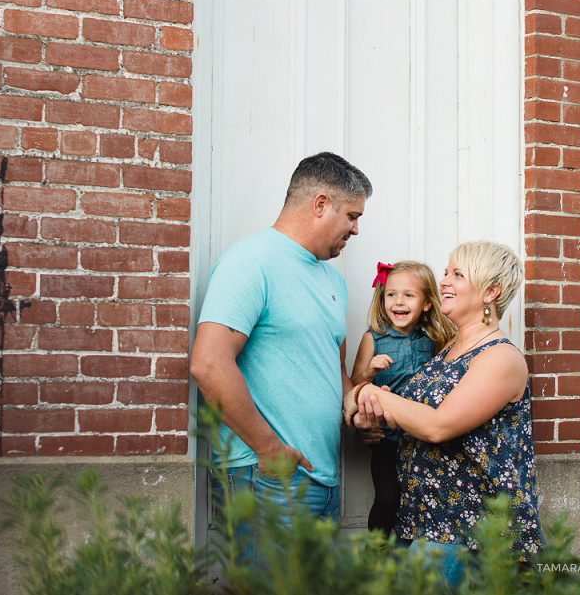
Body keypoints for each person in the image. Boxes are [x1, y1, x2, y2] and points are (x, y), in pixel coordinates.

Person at [190, 152, 372, 531]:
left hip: (323, 480)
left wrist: (358, 407)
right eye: (352, 216)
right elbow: (208, 363)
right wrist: (270, 450)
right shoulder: (250, 262)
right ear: (321, 204)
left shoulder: (333, 280)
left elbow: (331, 371)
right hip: (267, 479)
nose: (355, 230)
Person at [345, 241, 544, 586]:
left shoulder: (501, 357)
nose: (445, 281)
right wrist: (373, 417)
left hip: (466, 531)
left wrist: (364, 391)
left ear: (491, 292)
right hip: (421, 518)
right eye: (446, 272)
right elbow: (415, 413)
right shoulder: (449, 346)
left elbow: (438, 425)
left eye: (458, 274)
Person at [347, 260, 454, 537]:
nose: (398, 302)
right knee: (387, 497)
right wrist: (370, 370)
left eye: (409, 295)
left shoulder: (435, 338)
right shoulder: (374, 338)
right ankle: (375, 551)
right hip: (387, 439)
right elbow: (355, 382)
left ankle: (412, 554)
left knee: (423, 498)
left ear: (427, 303)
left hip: (422, 436)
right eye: (391, 294)